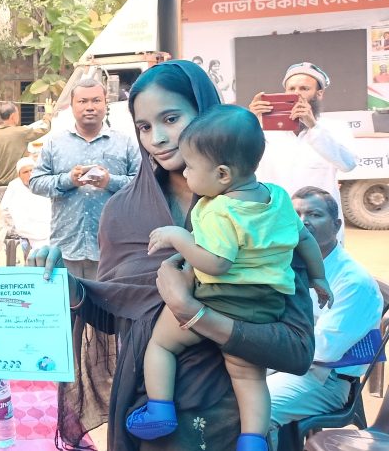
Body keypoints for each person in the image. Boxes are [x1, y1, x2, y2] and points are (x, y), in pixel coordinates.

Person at [30, 60, 317, 451]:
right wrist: (72, 288)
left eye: (171, 119)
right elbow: (119, 314)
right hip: (144, 415)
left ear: (207, 115)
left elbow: (296, 350)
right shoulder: (123, 212)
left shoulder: (262, 212)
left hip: (227, 420)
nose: (158, 139)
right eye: (144, 127)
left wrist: (193, 312)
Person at [126, 105, 331, 450]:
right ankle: (253, 440)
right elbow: (305, 239)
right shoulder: (278, 197)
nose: (186, 172)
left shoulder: (219, 209)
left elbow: (217, 263)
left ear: (222, 174)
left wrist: (179, 237)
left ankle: (160, 408)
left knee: (161, 345)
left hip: (219, 297)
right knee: (250, 377)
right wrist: (319, 277)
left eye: (191, 167)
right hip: (265, 306)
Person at [268, 186, 383, 449]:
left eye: (314, 214)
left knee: (255, 409)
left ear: (336, 225)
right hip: (286, 359)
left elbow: (323, 350)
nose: (303, 221)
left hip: (325, 379)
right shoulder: (289, 263)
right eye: (296, 214)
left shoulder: (353, 282)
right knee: (215, 386)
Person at [29, 77, 140, 280]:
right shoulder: (55, 144)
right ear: (72, 106)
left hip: (113, 248)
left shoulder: (125, 143)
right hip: (66, 246)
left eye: (96, 100)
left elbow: (143, 186)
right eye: (82, 101)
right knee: (69, 298)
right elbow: (35, 182)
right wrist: (68, 180)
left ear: (106, 104)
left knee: (107, 300)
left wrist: (110, 181)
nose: (90, 107)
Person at [249, 62, 356, 240]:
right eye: (291, 88)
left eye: (304, 88)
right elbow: (239, 161)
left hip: (319, 224)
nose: (296, 94)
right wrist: (249, 120)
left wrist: (313, 126)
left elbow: (348, 164)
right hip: (275, 221)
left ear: (319, 94)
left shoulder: (336, 128)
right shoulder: (263, 130)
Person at [0, 101, 50, 187]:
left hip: (1, 185)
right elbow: (44, 129)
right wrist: (48, 116)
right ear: (13, 116)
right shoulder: (20, 132)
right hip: (19, 184)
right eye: (18, 114)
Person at [0, 157, 52, 256]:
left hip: (43, 223)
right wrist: (16, 224)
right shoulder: (14, 186)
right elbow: (5, 210)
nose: (29, 174)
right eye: (25, 172)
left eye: (32, 170)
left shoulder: (41, 183)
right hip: (22, 225)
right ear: (19, 175)